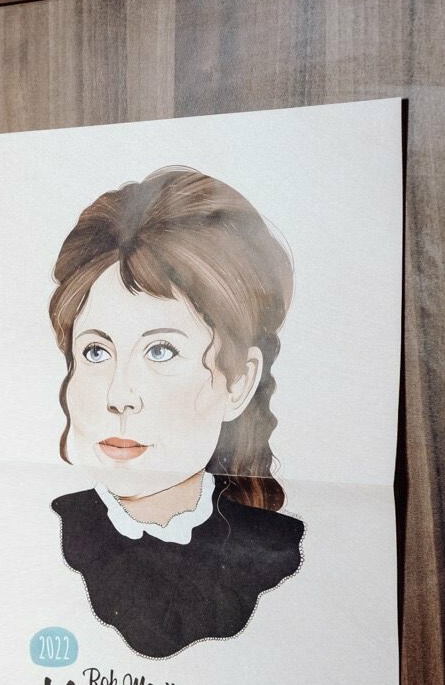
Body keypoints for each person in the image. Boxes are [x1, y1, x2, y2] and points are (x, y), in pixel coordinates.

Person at [48, 165, 303, 659]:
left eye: (160, 351)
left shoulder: (293, 557)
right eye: (96, 352)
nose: (119, 396)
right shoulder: (41, 535)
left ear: (240, 381)